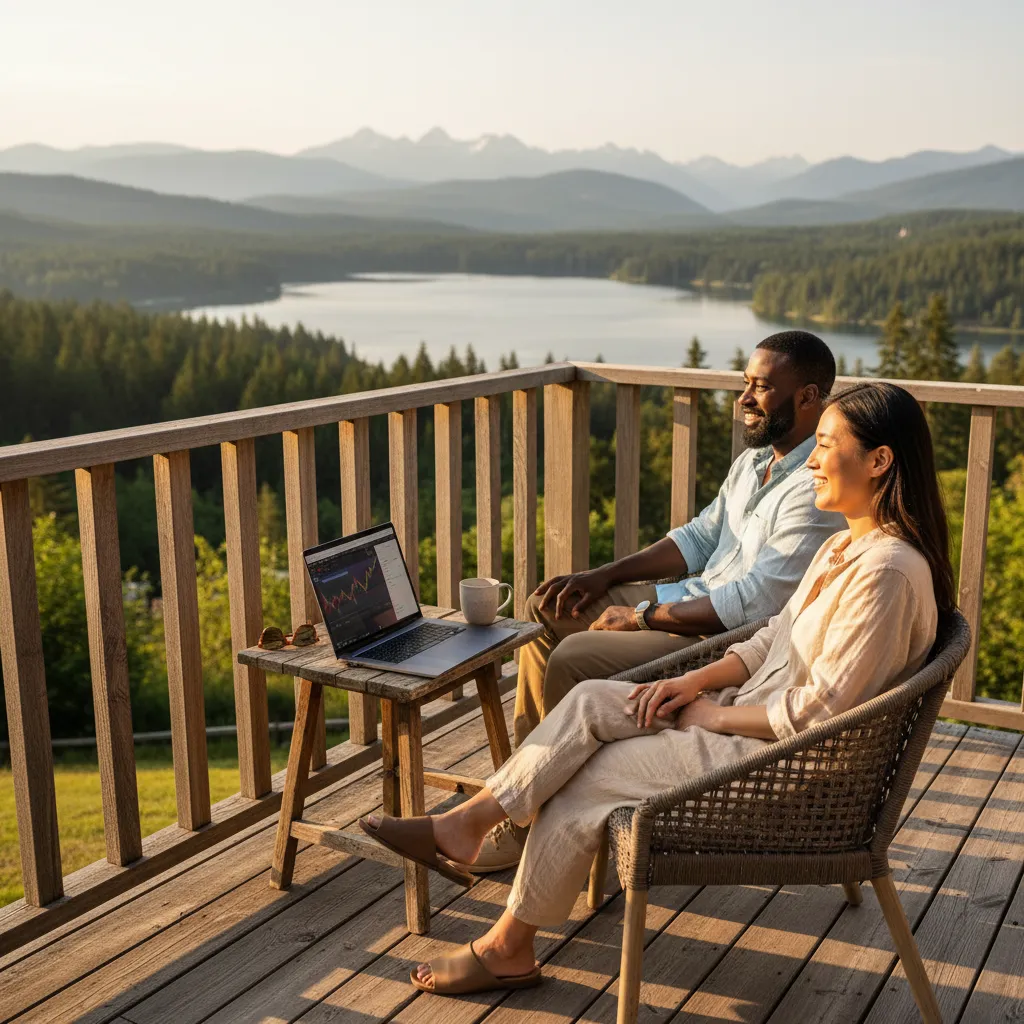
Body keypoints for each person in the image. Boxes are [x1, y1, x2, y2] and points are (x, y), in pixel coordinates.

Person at [359, 381, 954, 997]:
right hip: (747, 720)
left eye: (825, 446)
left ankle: (508, 946)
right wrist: (691, 681)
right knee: (591, 699)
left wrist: (707, 716)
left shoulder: (886, 573)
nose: (810, 460)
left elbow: (818, 712)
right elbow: (772, 638)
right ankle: (470, 821)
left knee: (589, 776)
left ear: (880, 461)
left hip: (781, 761)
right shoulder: (845, 546)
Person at [473, 330, 846, 872]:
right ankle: (529, 787)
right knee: (553, 609)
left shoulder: (817, 487)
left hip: (720, 641)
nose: (742, 400)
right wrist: (603, 575)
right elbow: (698, 538)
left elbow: (751, 603)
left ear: (809, 397)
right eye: (744, 384)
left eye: (760, 389)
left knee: (571, 658)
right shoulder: (755, 463)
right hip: (691, 601)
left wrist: (642, 614)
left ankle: (535, 821)